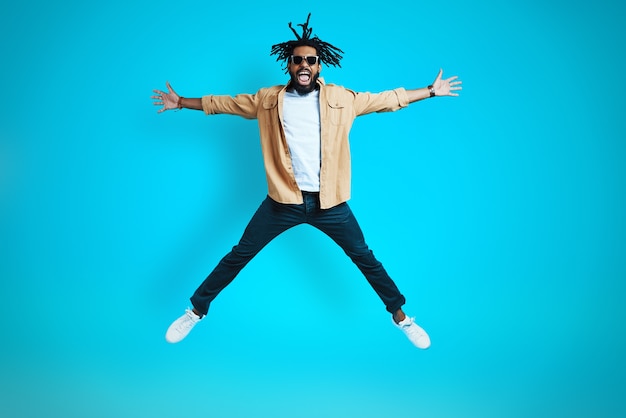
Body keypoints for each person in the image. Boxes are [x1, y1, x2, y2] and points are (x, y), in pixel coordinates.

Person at [152, 14, 461, 349]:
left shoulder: (342, 99)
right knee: (240, 253)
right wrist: (181, 102)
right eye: (297, 59)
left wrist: (430, 91)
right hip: (283, 201)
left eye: (310, 60)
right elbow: (223, 103)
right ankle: (195, 311)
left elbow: (388, 99)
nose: (303, 65)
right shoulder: (268, 100)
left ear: (319, 65)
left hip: (330, 203)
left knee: (364, 256)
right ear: (289, 64)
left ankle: (401, 317)